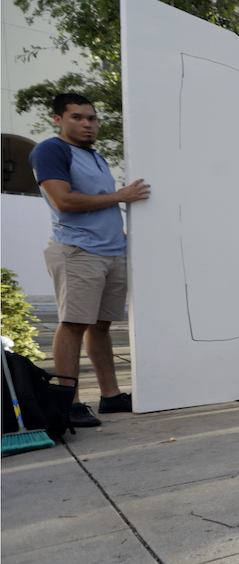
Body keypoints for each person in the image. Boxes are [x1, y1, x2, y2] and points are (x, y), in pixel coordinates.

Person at [30, 93, 151, 427]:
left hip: (112, 251)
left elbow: (101, 204)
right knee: (73, 324)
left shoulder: (94, 155)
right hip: (78, 251)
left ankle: (111, 396)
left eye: (92, 118)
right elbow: (63, 201)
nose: (87, 124)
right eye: (77, 117)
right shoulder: (51, 150)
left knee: (100, 326)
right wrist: (121, 196)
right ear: (58, 119)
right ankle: (68, 404)